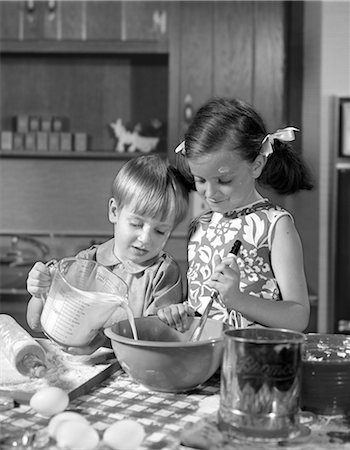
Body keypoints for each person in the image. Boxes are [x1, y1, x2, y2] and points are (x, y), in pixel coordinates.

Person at [161, 97, 313, 332]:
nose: (209, 194)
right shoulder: (200, 225)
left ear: (256, 165)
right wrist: (180, 311)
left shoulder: (276, 225)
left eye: (224, 180)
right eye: (200, 180)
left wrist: (238, 300)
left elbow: (298, 316)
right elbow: (200, 306)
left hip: (255, 363)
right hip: (203, 361)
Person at [26, 154, 194, 353]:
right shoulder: (86, 264)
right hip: (81, 368)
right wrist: (40, 293)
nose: (145, 239)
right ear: (114, 211)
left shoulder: (163, 272)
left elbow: (155, 337)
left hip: (130, 370)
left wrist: (174, 316)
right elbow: (36, 323)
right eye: (136, 224)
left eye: (160, 231)